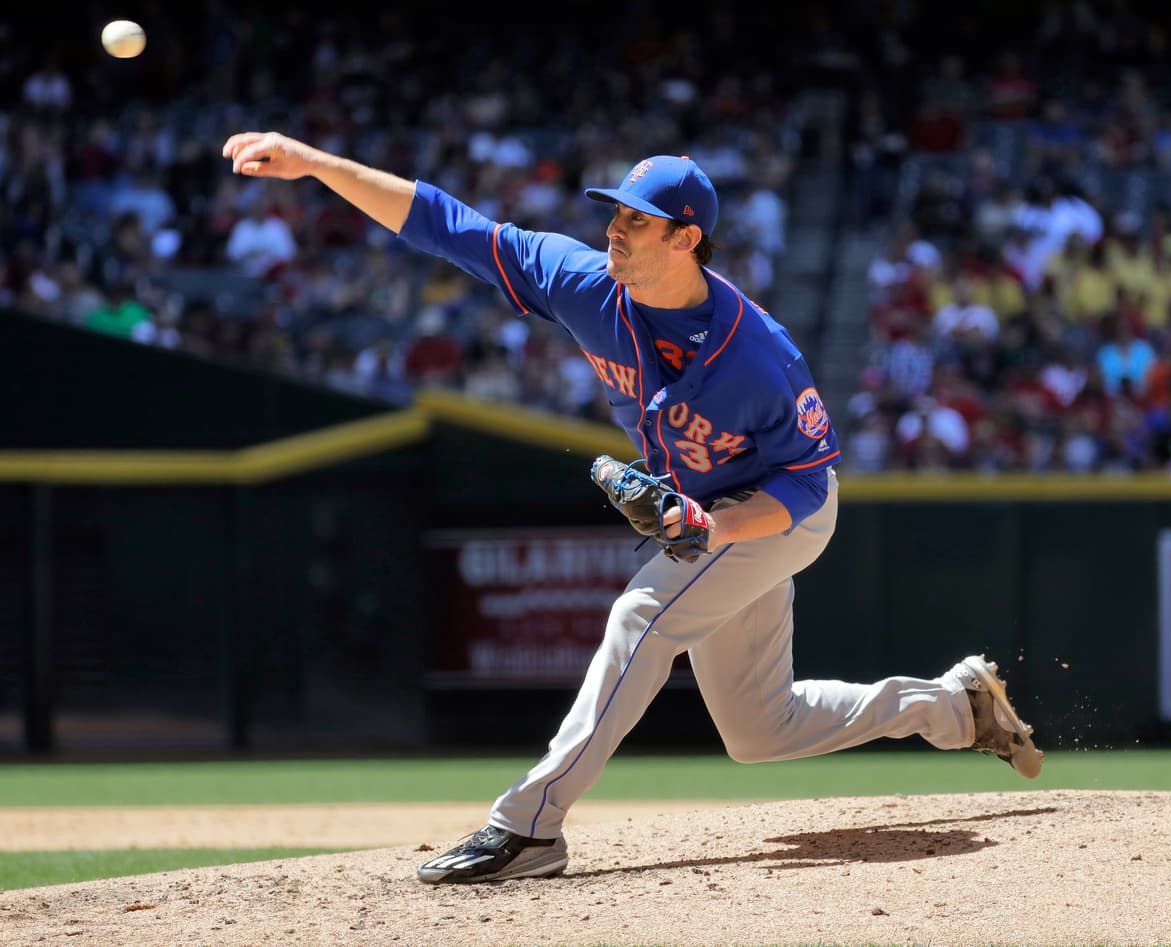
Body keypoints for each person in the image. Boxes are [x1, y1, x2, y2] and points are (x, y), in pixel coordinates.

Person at [222, 131, 1043, 885]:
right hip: (712, 514)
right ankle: (956, 704)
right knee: (761, 730)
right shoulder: (586, 287)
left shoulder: (760, 356)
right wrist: (319, 165)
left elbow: (803, 483)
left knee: (643, 614)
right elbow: (449, 224)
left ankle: (531, 825)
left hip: (775, 514)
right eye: (615, 212)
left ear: (685, 240)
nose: (615, 228)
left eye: (638, 221)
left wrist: (712, 526)